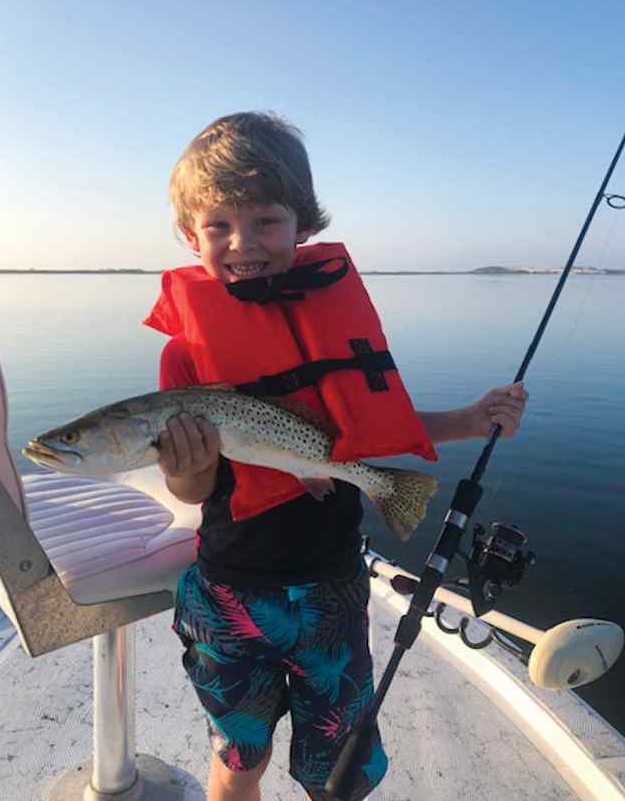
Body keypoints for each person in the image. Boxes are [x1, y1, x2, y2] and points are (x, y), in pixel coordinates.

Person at [144, 111, 528, 801]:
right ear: (189, 235)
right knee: (238, 761)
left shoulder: (326, 330)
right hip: (231, 587)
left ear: (302, 225)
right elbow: (196, 492)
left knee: (336, 770)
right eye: (219, 226)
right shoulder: (184, 354)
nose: (243, 244)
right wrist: (184, 462)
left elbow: (374, 428)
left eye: (265, 221)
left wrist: (473, 419)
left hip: (333, 587)